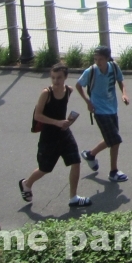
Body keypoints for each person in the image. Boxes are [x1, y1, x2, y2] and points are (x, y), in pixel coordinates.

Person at [18, 62, 91, 208]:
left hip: (64, 133)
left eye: (59, 78)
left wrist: (67, 122)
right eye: (53, 78)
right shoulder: (46, 93)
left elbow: (60, 113)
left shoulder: (69, 90)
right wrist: (57, 122)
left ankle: (73, 198)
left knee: (75, 161)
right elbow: (38, 115)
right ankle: (26, 183)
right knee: (45, 168)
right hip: (49, 136)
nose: (56, 81)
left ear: (65, 77)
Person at [76, 46, 130, 183]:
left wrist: (124, 94)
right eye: (95, 59)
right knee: (115, 139)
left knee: (111, 138)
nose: (98, 62)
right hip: (99, 110)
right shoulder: (91, 71)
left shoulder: (113, 67)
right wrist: (88, 101)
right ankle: (113, 171)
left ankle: (90, 154)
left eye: (100, 59)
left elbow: (120, 80)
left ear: (107, 59)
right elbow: (78, 85)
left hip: (112, 108)